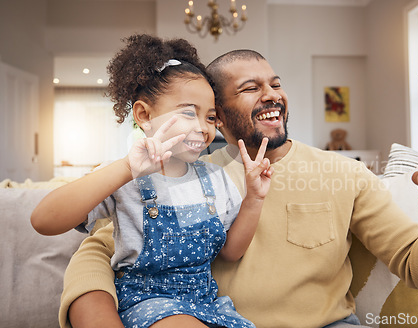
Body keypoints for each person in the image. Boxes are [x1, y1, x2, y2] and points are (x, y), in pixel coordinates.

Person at [58, 49, 418, 328]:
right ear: (216, 118)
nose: (271, 96)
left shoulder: (344, 174)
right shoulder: (189, 178)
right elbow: (100, 247)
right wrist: (95, 309)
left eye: (275, 84)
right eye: (250, 89)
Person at [31, 35, 277, 328]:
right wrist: (125, 169)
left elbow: (231, 252)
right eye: (188, 112)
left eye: (210, 118)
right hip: (146, 304)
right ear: (144, 115)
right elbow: (43, 220)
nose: (202, 127)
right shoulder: (123, 178)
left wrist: (255, 198)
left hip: (206, 304)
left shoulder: (216, 179)